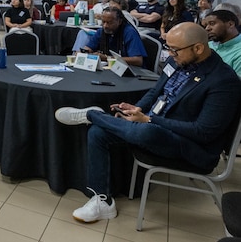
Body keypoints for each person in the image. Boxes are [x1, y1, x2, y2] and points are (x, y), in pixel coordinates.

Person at [54, 22, 241, 223]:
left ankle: (92, 116)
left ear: (198, 48)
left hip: (191, 145)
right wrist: (138, 109)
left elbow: (203, 132)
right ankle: (102, 201)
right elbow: (155, 92)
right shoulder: (177, 62)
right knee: (98, 133)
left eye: (175, 50)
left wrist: (150, 119)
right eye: (168, 48)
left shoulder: (223, 81)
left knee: (146, 132)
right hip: (155, 123)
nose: (170, 54)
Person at [79, 7, 146, 67]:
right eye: (103, 22)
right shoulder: (102, 31)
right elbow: (88, 48)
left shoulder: (129, 33)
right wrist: (83, 52)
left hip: (131, 71)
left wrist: (107, 58)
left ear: (119, 21)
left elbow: (138, 60)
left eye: (109, 23)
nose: (105, 26)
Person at [205, 10, 241, 76]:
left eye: (212, 23)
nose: (207, 28)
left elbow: (235, 84)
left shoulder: (239, 52)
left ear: (230, 24)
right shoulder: (209, 45)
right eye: (206, 25)